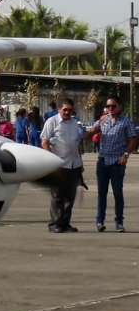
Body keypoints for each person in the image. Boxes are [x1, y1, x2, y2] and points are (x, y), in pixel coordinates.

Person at [84, 97, 137, 233]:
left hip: (117, 162)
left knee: (117, 193)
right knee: (102, 193)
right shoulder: (104, 120)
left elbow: (133, 140)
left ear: (119, 107)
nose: (110, 109)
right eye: (108, 106)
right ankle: (99, 221)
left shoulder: (126, 122)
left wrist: (126, 155)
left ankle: (119, 222)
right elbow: (89, 134)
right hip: (103, 160)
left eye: (113, 106)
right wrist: (97, 126)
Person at [40, 99, 86, 233]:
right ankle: (55, 224)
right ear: (59, 109)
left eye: (69, 110)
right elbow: (44, 142)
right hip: (59, 165)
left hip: (74, 164)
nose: (67, 112)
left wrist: (80, 162)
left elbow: (77, 144)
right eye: (64, 109)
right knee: (57, 196)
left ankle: (65, 223)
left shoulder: (73, 123)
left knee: (70, 196)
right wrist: (52, 161)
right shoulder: (52, 122)